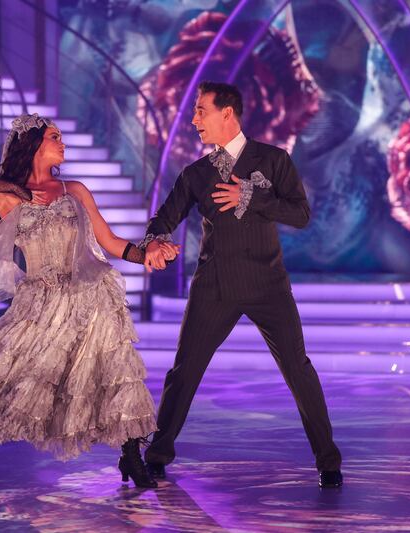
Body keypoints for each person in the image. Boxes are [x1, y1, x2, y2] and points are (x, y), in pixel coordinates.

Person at [0, 114, 179, 488]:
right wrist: (19, 191)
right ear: (35, 145)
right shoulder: (8, 197)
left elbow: (110, 242)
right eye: (55, 137)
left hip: (90, 297)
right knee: (4, 375)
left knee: (111, 376)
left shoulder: (75, 190)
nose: (63, 143)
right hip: (39, 301)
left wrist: (148, 251)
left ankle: (131, 456)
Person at [140, 81, 343, 488]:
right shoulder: (195, 174)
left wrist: (252, 197)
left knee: (298, 370)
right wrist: (156, 241)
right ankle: (158, 453)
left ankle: (329, 461)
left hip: (268, 283)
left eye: (201, 110)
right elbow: (163, 218)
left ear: (226, 113)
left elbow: (301, 214)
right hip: (214, 285)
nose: (194, 119)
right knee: (184, 372)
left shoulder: (273, 160)